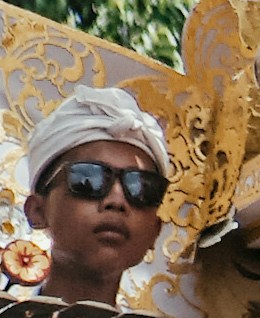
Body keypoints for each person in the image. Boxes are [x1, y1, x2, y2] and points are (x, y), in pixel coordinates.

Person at [21, 86, 172, 304]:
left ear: (155, 231)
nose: (117, 200)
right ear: (37, 211)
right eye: (89, 179)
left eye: (141, 187)